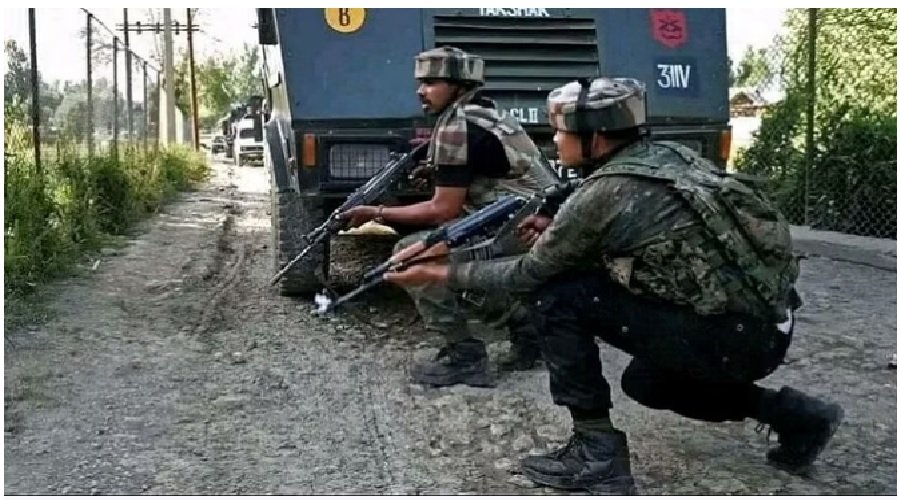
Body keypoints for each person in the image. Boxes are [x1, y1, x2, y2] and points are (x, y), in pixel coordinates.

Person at [383, 77, 844, 494]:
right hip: (766, 326)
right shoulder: (666, 155)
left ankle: (596, 453)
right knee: (647, 383)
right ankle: (798, 417)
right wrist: (553, 220)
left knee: (556, 294)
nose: (555, 140)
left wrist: (438, 273)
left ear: (597, 138)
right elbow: (617, 215)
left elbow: (527, 274)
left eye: (561, 133)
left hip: (734, 338)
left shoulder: (605, 193)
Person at [341, 46, 560, 387]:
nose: (420, 91)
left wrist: (376, 213)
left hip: (526, 226)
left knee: (411, 256)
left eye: (431, 83)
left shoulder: (457, 126)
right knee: (438, 249)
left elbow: (443, 210)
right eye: (420, 82)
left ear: (458, 86)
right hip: (538, 219)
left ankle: (465, 357)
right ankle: (529, 331)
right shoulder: (482, 112)